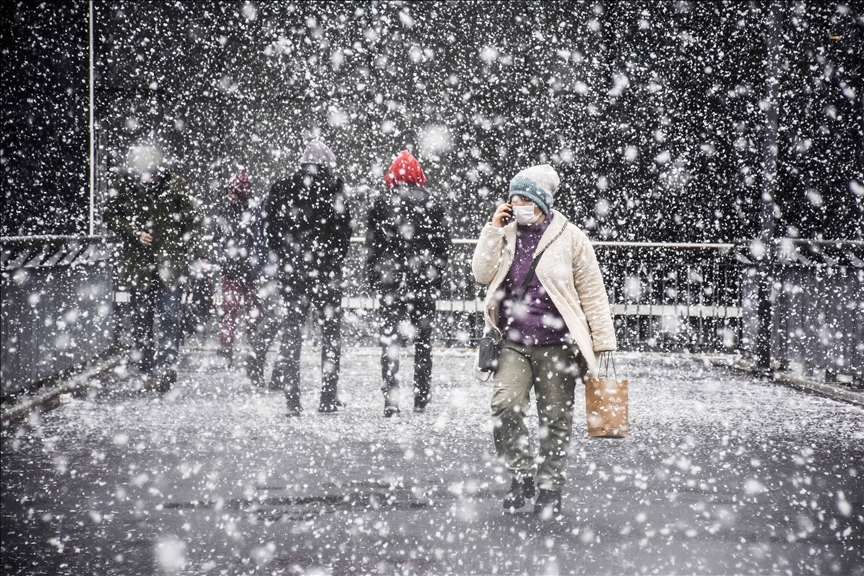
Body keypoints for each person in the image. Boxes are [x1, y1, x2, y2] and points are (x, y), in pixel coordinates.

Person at [471, 164, 617, 517]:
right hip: (512, 341)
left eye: (524, 199)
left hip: (557, 343)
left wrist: (603, 343)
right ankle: (521, 474)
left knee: (555, 418)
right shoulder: (505, 233)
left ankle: (550, 487)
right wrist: (493, 229)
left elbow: (593, 293)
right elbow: (481, 273)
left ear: (541, 201)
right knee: (504, 406)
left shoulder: (571, 238)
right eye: (513, 199)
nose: (517, 205)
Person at [258, 140, 352, 415]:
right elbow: (344, 231)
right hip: (326, 274)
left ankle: (292, 401)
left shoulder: (282, 188)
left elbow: (269, 228)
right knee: (331, 336)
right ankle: (327, 397)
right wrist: (330, 259)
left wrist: (288, 256)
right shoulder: (335, 189)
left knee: (291, 334)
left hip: (293, 273)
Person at [104, 143, 208, 391]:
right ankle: (147, 368)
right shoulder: (125, 186)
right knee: (141, 319)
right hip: (140, 265)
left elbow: (193, 219)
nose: (152, 177)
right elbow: (110, 215)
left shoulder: (176, 185)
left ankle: (166, 367)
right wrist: (133, 232)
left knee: (170, 316)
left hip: (169, 264)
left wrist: (200, 251)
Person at [366, 150, 451, 417]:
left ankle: (391, 398)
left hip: (392, 283)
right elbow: (442, 247)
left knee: (390, 341)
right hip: (423, 282)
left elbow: (373, 246)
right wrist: (435, 276)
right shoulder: (432, 203)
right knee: (423, 342)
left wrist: (375, 277)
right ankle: (421, 397)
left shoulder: (381, 203)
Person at [213, 172, 264, 365]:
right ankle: (233, 347)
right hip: (237, 268)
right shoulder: (247, 210)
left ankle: (247, 345)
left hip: (244, 269)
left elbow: (222, 236)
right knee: (232, 310)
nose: (229, 195)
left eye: (232, 191)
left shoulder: (248, 210)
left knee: (243, 310)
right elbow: (220, 236)